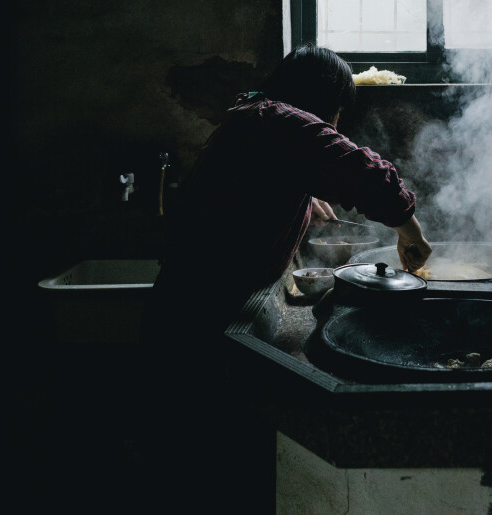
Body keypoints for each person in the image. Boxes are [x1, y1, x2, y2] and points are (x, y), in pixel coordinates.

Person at [140, 43, 432, 511]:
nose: (334, 123)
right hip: (200, 314)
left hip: (188, 302)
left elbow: (259, 180)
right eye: (336, 110)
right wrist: (409, 229)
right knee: (197, 462)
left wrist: (301, 194)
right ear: (323, 99)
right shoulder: (281, 122)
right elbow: (364, 170)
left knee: (186, 455)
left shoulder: (256, 116)